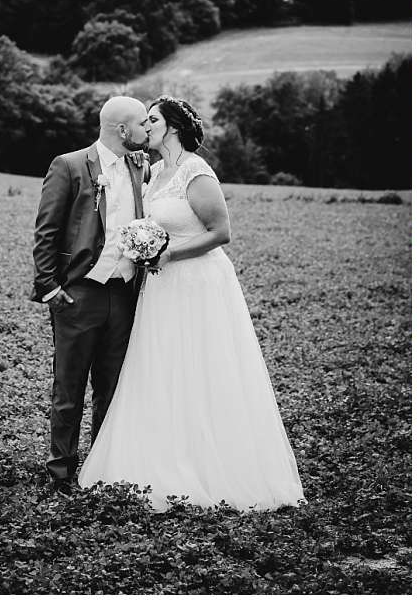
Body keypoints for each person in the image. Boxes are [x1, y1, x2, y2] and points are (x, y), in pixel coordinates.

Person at [78, 96, 305, 512]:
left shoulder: (195, 172)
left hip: (198, 282)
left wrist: (169, 255)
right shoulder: (154, 173)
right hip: (161, 288)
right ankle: (165, 457)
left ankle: (212, 463)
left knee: (203, 367)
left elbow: (221, 232)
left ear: (173, 128)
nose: (146, 126)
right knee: (162, 367)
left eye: (152, 120)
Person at [30, 96, 151, 496]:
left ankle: (101, 468)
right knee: (69, 388)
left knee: (112, 387)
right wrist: (50, 288)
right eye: (142, 124)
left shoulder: (141, 166)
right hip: (78, 293)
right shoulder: (69, 165)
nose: (147, 130)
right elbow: (46, 231)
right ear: (122, 129)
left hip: (125, 293)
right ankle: (62, 473)